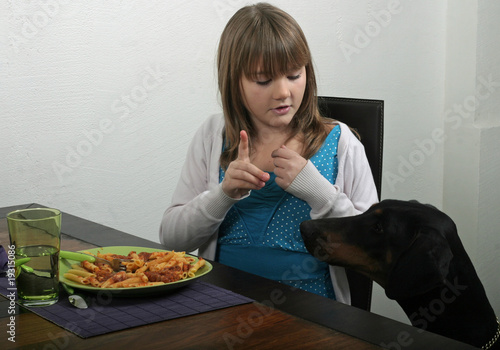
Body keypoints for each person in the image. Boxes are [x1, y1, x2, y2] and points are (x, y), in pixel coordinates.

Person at [159, 2, 378, 305]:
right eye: (263, 80)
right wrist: (221, 195)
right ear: (234, 82)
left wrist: (319, 193)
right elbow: (172, 239)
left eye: (293, 75)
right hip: (220, 307)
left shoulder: (341, 142)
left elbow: (374, 249)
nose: (283, 93)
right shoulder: (213, 136)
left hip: (314, 315)